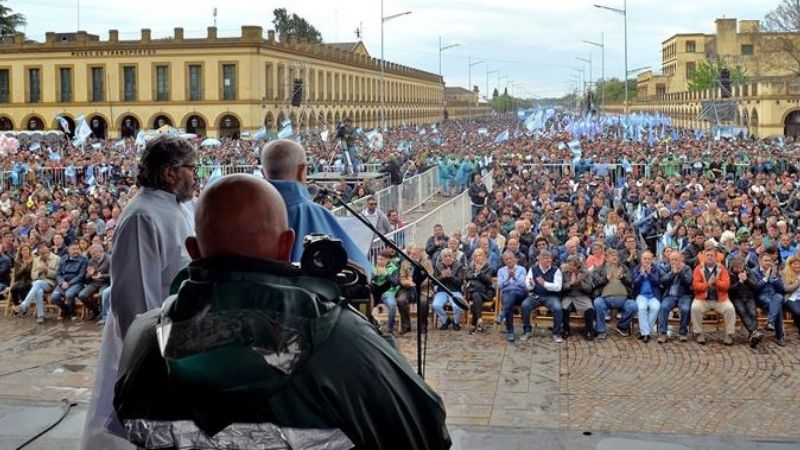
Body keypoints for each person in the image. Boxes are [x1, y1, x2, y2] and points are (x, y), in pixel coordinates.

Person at [113, 174, 451, 449]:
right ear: (286, 244)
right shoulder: (339, 340)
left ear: (193, 249)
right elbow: (425, 434)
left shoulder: (142, 340)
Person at [82, 136, 198, 450]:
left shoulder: (180, 207)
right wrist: (153, 352)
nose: (196, 174)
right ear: (170, 174)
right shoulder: (141, 216)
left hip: (179, 335)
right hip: (153, 342)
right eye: (191, 167)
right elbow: (134, 298)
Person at [261, 139, 371, 276]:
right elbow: (362, 272)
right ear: (302, 171)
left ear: (263, 172)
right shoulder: (316, 214)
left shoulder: (242, 215)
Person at [691, 244, 736, 345]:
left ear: (716, 257)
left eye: (712, 255)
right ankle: (698, 333)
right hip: (703, 298)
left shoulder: (722, 269)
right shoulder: (698, 269)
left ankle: (729, 334)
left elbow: (726, 285)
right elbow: (695, 285)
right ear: (704, 257)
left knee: (730, 309)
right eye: (708, 255)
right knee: (695, 308)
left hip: (720, 298)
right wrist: (707, 284)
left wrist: (716, 282)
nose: (710, 257)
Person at [592, 249, 637, 339]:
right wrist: (606, 278)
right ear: (607, 258)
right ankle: (601, 330)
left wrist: (623, 277)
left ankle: (622, 326)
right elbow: (596, 282)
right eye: (612, 255)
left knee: (633, 306)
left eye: (616, 255)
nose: (615, 257)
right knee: (597, 303)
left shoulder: (623, 268)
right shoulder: (600, 268)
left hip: (623, 300)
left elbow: (631, 282)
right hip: (605, 299)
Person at [523, 250, 564, 343]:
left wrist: (544, 283)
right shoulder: (533, 269)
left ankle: (556, 333)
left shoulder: (556, 270)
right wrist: (531, 285)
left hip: (551, 296)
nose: (549, 261)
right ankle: (527, 330)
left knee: (557, 308)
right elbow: (527, 285)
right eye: (546, 259)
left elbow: (558, 287)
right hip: (535, 296)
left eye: (550, 259)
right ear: (540, 259)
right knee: (525, 305)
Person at [13, 242, 59, 323]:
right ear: (38, 253)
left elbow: (58, 275)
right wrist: (39, 272)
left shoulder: (57, 258)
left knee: (38, 283)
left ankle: (24, 305)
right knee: (38, 290)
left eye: (45, 253)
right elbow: (33, 276)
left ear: (48, 250)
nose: (44, 255)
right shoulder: (36, 260)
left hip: (50, 283)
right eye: (41, 253)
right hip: (37, 283)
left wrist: (47, 271)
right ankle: (40, 316)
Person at [396, 244, 434, 335]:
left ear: (420, 254)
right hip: (408, 289)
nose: (411, 256)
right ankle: (406, 326)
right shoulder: (405, 263)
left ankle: (422, 326)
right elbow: (402, 279)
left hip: (423, 289)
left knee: (423, 302)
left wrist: (418, 284)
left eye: (414, 254)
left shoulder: (427, 263)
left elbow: (430, 278)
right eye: (411, 253)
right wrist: (407, 283)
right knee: (400, 300)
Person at [656, 251, 694, 343]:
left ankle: (683, 332)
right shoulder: (666, 268)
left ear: (681, 259)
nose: (674, 262)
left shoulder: (687, 268)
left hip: (684, 296)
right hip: (670, 295)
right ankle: (663, 333)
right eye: (672, 260)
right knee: (663, 307)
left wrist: (680, 273)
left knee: (685, 309)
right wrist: (672, 274)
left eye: (676, 259)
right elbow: (662, 281)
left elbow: (689, 282)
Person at [753, 252, 786, 346]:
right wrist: (766, 278)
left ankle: (770, 322)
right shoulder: (754, 271)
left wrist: (774, 277)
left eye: (770, 261)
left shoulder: (774, 271)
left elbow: (781, 289)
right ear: (760, 261)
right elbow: (755, 288)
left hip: (774, 296)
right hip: (761, 296)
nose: (768, 263)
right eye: (766, 260)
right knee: (777, 305)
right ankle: (780, 336)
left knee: (779, 297)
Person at [560, 255, 596, 340]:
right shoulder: (564, 273)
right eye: (568, 264)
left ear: (577, 266)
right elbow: (561, 287)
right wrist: (571, 284)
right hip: (568, 296)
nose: (569, 266)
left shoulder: (586, 273)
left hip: (581, 296)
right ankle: (566, 330)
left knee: (590, 309)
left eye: (571, 265)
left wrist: (580, 284)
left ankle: (588, 330)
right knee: (563, 308)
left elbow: (590, 288)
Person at [729, 256, 762, 348]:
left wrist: (746, 280)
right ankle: (754, 332)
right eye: (737, 268)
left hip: (749, 296)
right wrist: (739, 282)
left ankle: (752, 334)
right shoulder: (730, 274)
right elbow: (729, 290)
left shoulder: (749, 271)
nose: (739, 270)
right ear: (734, 267)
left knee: (753, 312)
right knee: (742, 311)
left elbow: (755, 286)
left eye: (741, 267)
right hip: (736, 298)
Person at [50, 242, 89, 320]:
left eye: (77, 249)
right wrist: (62, 282)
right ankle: (67, 310)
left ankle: (72, 314)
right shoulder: (63, 259)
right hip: (63, 283)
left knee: (69, 294)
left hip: (77, 283)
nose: (76, 251)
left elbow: (81, 275)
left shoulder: (83, 259)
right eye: (73, 249)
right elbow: (58, 274)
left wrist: (69, 283)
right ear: (68, 250)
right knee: (54, 297)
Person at [497, 251, 528, 342]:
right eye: (506, 259)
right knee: (508, 302)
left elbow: (523, 285)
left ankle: (503, 318)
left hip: (520, 295)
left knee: (511, 295)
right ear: (504, 261)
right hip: (506, 295)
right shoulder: (501, 270)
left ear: (515, 259)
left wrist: (514, 277)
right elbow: (500, 286)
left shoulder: (522, 269)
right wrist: (508, 278)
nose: (509, 260)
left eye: (510, 258)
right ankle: (510, 331)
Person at [432, 248, 465, 330]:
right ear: (442, 258)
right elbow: (434, 282)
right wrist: (442, 277)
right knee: (435, 305)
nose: (448, 258)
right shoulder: (438, 266)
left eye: (450, 256)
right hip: (442, 291)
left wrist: (451, 276)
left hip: (455, 291)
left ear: (453, 256)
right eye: (445, 256)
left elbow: (460, 282)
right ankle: (445, 320)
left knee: (457, 306)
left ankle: (456, 322)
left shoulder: (459, 266)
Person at [632, 251, 661, 343]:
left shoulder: (656, 269)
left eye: (649, 259)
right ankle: (646, 333)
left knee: (656, 308)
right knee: (641, 308)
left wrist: (649, 273)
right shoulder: (636, 269)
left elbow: (657, 282)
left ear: (652, 260)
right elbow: (635, 283)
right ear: (641, 259)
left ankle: (645, 332)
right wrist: (641, 275)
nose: (647, 260)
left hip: (653, 295)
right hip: (641, 295)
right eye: (645, 258)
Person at [77, 244, 111, 320]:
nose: (92, 256)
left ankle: (103, 315)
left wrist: (101, 276)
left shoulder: (109, 259)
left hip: (105, 282)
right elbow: (86, 278)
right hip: (94, 282)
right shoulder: (91, 260)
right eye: (91, 254)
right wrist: (89, 274)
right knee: (82, 295)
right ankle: (96, 312)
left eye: (94, 253)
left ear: (100, 252)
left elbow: (112, 275)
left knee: (102, 295)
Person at [371, 249, 400, 334]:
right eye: (378, 259)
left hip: (388, 292)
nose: (379, 261)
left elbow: (395, 283)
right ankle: (372, 324)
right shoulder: (373, 267)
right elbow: (369, 280)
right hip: (376, 292)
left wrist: (386, 275)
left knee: (392, 305)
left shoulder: (394, 268)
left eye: (381, 259)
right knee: (366, 303)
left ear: (387, 259)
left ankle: (390, 328)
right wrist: (375, 275)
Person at [466, 248, 494, 334]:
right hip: (474, 292)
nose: (478, 257)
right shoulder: (471, 266)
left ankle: (475, 323)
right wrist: (476, 274)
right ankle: (479, 320)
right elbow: (467, 276)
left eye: (480, 255)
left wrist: (479, 272)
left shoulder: (488, 267)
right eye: (476, 256)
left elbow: (488, 281)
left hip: (485, 293)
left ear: (484, 256)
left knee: (475, 295)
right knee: (475, 294)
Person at [782, 255, 800, 338]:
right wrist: (797, 283)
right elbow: (786, 289)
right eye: (795, 264)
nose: (797, 266)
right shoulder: (785, 274)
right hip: (791, 298)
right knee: (798, 312)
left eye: (798, 264)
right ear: (790, 264)